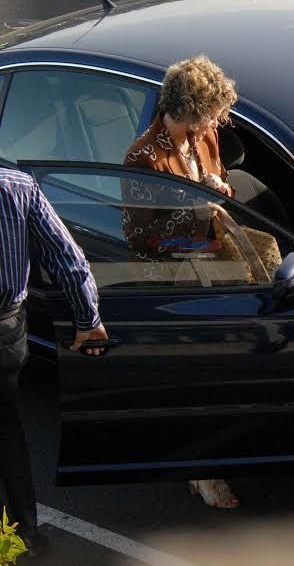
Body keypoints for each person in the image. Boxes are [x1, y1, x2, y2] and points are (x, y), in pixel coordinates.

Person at [121, 55, 240, 509]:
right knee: (194, 380)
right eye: (211, 114)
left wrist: (218, 187)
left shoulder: (204, 135)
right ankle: (201, 470)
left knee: (219, 375)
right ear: (188, 109)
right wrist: (192, 213)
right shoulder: (143, 158)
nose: (217, 123)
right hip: (169, 281)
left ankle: (207, 459)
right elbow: (138, 237)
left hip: (210, 268)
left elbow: (220, 182)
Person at [0, 168, 109, 554]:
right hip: (5, 331)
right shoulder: (18, 187)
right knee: (7, 430)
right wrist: (88, 321)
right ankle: (24, 535)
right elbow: (69, 259)